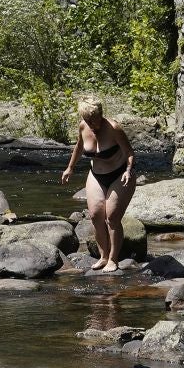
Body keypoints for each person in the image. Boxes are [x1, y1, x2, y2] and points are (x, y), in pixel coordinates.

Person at [60, 97, 136, 272]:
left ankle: (113, 259)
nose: (93, 123)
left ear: (101, 114)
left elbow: (129, 152)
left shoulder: (114, 128)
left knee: (112, 218)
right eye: (89, 120)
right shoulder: (83, 126)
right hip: (96, 175)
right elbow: (79, 147)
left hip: (120, 174)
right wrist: (70, 168)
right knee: (95, 216)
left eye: (96, 119)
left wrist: (128, 170)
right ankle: (103, 256)